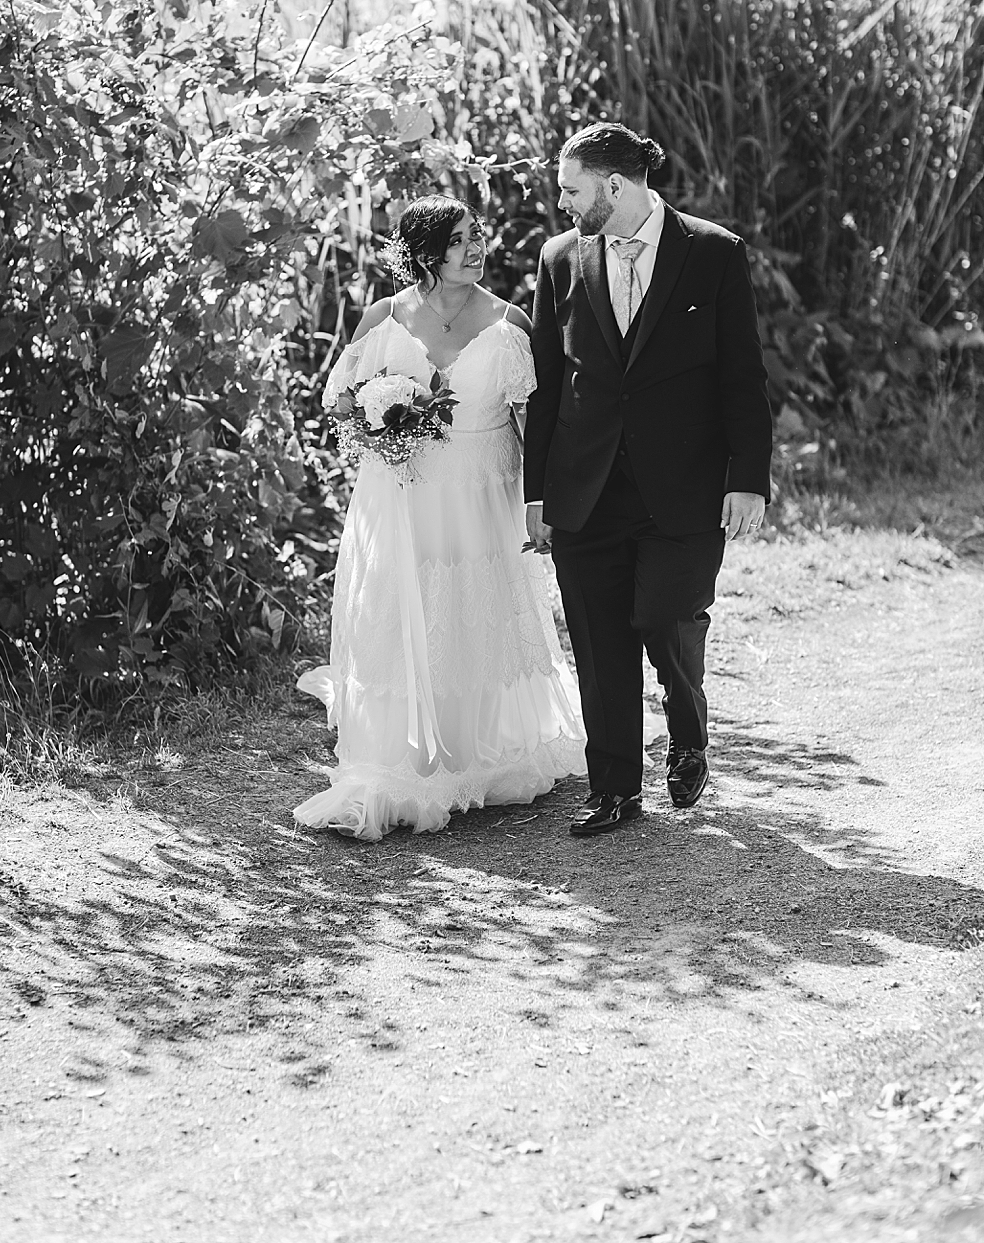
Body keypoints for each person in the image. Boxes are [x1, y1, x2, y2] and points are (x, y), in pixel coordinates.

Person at [295, 196, 585, 841]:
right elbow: (338, 397)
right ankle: (403, 757)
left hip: (483, 494)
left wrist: (543, 503)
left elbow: (532, 423)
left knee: (471, 611)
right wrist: (376, 424)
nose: (475, 248)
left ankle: (475, 749)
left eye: (478, 235)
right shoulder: (385, 316)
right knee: (408, 609)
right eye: (459, 240)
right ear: (425, 252)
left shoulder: (509, 323)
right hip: (403, 493)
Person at [525, 123, 772, 838]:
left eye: (572, 190)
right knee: (600, 645)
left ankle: (689, 731)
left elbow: (741, 375)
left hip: (685, 487)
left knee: (665, 621)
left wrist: (747, 478)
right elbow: (546, 384)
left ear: (613, 185)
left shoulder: (714, 253)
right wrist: (537, 494)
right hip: (585, 486)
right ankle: (615, 792)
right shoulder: (559, 258)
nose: (563, 203)